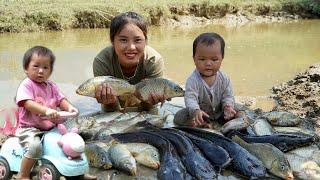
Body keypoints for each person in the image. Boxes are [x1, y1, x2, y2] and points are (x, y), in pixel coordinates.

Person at [15, 46, 96, 180]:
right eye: (36, 66)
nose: (41, 71)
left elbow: (61, 100)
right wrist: (46, 110)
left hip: (50, 127)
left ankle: (78, 172)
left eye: (45, 67)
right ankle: (23, 174)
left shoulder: (52, 86)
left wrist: (70, 108)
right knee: (34, 147)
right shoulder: (27, 85)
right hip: (29, 128)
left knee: (71, 141)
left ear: (50, 71)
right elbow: (27, 103)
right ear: (26, 68)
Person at [93, 11, 165, 112]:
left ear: (146, 41)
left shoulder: (154, 61)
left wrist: (152, 100)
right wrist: (108, 100)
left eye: (138, 40)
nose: (131, 47)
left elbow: (148, 107)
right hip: (112, 109)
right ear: (112, 41)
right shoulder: (102, 61)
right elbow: (109, 108)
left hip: (145, 109)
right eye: (123, 40)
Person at [174, 32, 243, 128]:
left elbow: (228, 96)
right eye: (202, 59)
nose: (208, 63)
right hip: (201, 114)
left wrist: (228, 106)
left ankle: (238, 123)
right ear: (194, 59)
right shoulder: (192, 80)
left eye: (214, 60)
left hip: (221, 113)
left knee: (239, 109)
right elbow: (190, 98)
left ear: (222, 59)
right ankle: (204, 124)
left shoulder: (224, 78)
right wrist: (196, 111)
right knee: (179, 116)